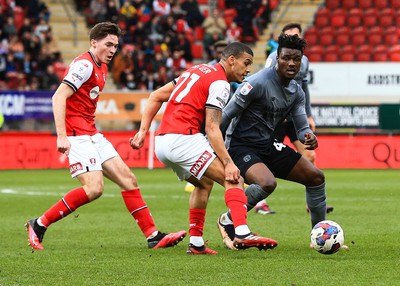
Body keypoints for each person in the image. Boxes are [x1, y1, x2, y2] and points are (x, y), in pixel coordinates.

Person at [25, 22, 186, 251]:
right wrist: (62, 136)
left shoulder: (102, 66)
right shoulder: (84, 65)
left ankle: (153, 236)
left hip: (91, 133)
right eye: (108, 44)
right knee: (94, 189)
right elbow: (58, 97)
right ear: (94, 42)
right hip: (76, 134)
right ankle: (39, 224)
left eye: (115, 46)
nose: (112, 50)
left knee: (128, 180)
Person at [130, 42, 278, 255]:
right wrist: (228, 163)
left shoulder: (196, 70)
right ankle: (242, 232)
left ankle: (197, 242)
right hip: (184, 139)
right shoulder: (220, 83)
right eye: (246, 63)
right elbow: (211, 128)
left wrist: (143, 131)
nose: (248, 70)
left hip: (162, 143)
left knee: (204, 183)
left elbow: (155, 96)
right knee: (233, 178)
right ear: (231, 60)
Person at [216, 33, 329, 250]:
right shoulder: (256, 83)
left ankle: (319, 236)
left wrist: (308, 136)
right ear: (277, 58)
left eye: (296, 59)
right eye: (286, 57)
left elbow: (301, 124)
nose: (292, 63)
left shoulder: (296, 90)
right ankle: (229, 219)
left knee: (316, 177)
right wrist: (219, 150)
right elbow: (226, 115)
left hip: (267, 144)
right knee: (267, 183)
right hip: (240, 145)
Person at [255, 22, 333, 215]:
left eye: (296, 36)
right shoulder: (273, 59)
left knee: (310, 155)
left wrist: (308, 115)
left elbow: (303, 89)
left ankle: (312, 203)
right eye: (289, 35)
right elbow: (266, 85)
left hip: (294, 118)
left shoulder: (304, 61)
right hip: (275, 119)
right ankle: (258, 203)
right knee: (265, 162)